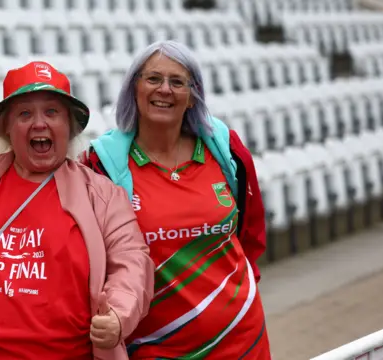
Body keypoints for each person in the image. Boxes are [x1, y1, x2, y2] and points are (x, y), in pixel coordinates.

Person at [0, 60, 155, 360]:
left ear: (70, 127)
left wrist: (117, 316)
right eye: (24, 113)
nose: (39, 123)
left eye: (51, 112)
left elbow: (132, 261)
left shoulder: (103, 195)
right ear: (7, 128)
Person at [79, 40, 271, 359]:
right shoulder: (100, 166)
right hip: (153, 346)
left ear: (193, 96)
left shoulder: (227, 150)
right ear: (134, 88)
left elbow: (251, 234)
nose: (164, 89)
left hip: (242, 340)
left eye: (177, 81)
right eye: (153, 78)